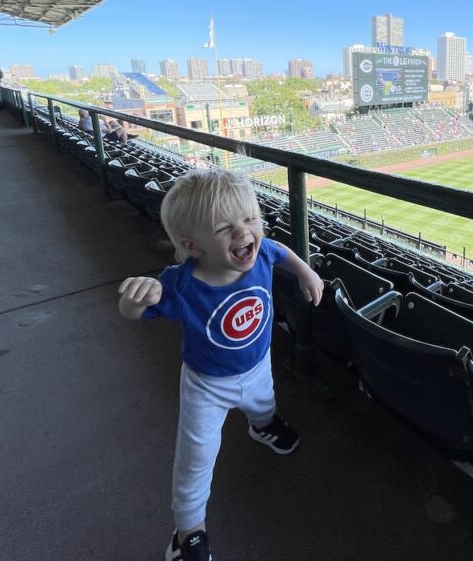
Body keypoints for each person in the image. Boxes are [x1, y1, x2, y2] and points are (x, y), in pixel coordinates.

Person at [117, 169, 323, 561]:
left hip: (258, 364)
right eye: (226, 227)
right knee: (196, 458)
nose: (245, 232)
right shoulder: (179, 284)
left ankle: (262, 428)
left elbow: (280, 250)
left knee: (264, 405)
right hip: (205, 385)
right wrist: (135, 297)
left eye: (249, 219)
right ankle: (189, 533)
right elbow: (132, 313)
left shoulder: (259, 252)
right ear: (193, 246)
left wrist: (305, 270)